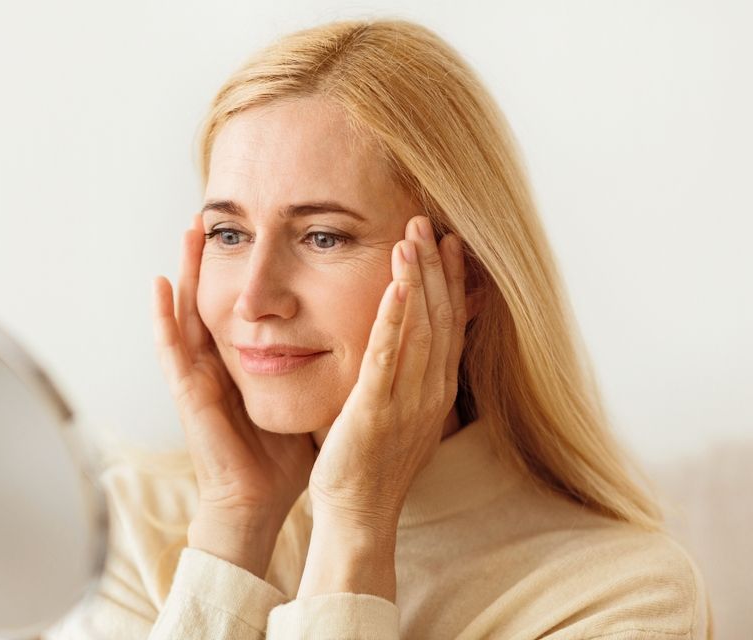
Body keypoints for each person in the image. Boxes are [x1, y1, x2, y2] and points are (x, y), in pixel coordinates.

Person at [47, 17, 710, 639]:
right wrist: (236, 527)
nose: (253, 300)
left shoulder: (622, 594)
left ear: (468, 278)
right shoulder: (136, 526)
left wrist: (356, 533)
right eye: (230, 232)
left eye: (323, 237)